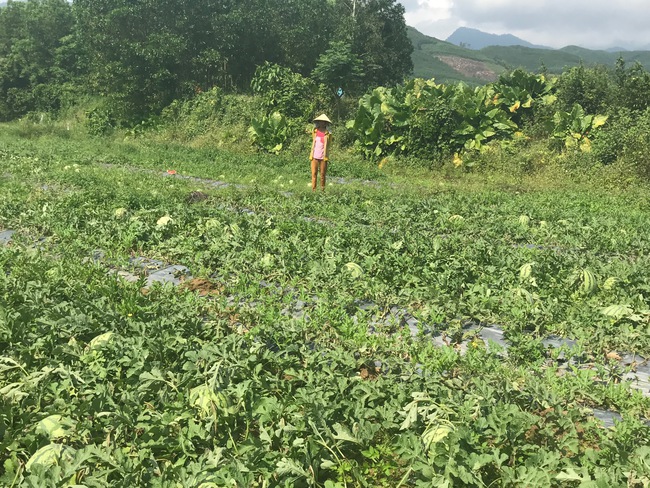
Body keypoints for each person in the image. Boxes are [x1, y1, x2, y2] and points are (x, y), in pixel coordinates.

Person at [309, 114, 332, 191]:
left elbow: (329, 143)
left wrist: (329, 134)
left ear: (325, 123)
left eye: (323, 122)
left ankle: (322, 190)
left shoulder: (328, 133)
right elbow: (313, 141)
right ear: (318, 122)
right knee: (314, 174)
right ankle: (314, 190)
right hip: (314, 156)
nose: (322, 123)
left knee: (322, 175)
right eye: (320, 122)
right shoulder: (315, 131)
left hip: (323, 156)